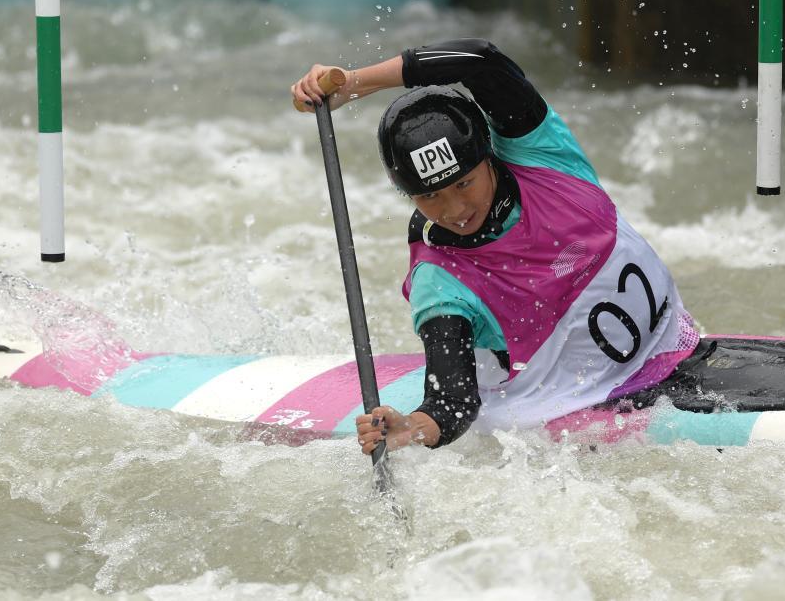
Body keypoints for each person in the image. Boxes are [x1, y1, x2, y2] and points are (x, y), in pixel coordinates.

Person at [291, 39, 699, 455]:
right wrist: (412, 428)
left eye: (464, 183)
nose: (455, 210)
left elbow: (480, 62)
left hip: (675, 344)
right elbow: (453, 402)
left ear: (488, 156)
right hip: (574, 409)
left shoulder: (539, 152)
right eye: (429, 196)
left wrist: (355, 82)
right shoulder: (440, 278)